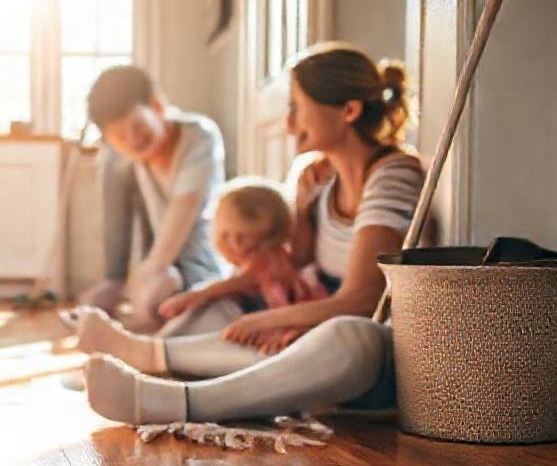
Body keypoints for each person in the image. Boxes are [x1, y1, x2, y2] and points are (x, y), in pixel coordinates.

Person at [77, 42, 425, 425]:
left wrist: (266, 322)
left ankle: (181, 400)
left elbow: (362, 299)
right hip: (309, 329)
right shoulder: (319, 180)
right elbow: (293, 269)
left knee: (351, 338)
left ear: (349, 111)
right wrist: (304, 209)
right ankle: (149, 355)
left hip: (368, 349)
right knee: (216, 309)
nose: (289, 124)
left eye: (296, 107)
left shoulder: (393, 173)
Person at [75, 66, 228, 333]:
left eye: (138, 126)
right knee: (147, 290)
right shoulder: (119, 154)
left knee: (164, 287)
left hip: (201, 262)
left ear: (158, 107)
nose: (133, 139)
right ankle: (125, 292)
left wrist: (149, 273)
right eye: (120, 135)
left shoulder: (199, 136)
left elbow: (186, 207)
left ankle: (151, 321)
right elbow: (115, 213)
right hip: (163, 267)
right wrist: (115, 281)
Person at [155, 176, 331, 342]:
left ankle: (160, 344)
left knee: (209, 303)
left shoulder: (268, 258)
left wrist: (196, 296)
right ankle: (162, 342)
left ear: (273, 237)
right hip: (276, 317)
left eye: (245, 237)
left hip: (289, 322)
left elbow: (242, 281)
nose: (236, 246)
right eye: (225, 236)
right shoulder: (270, 255)